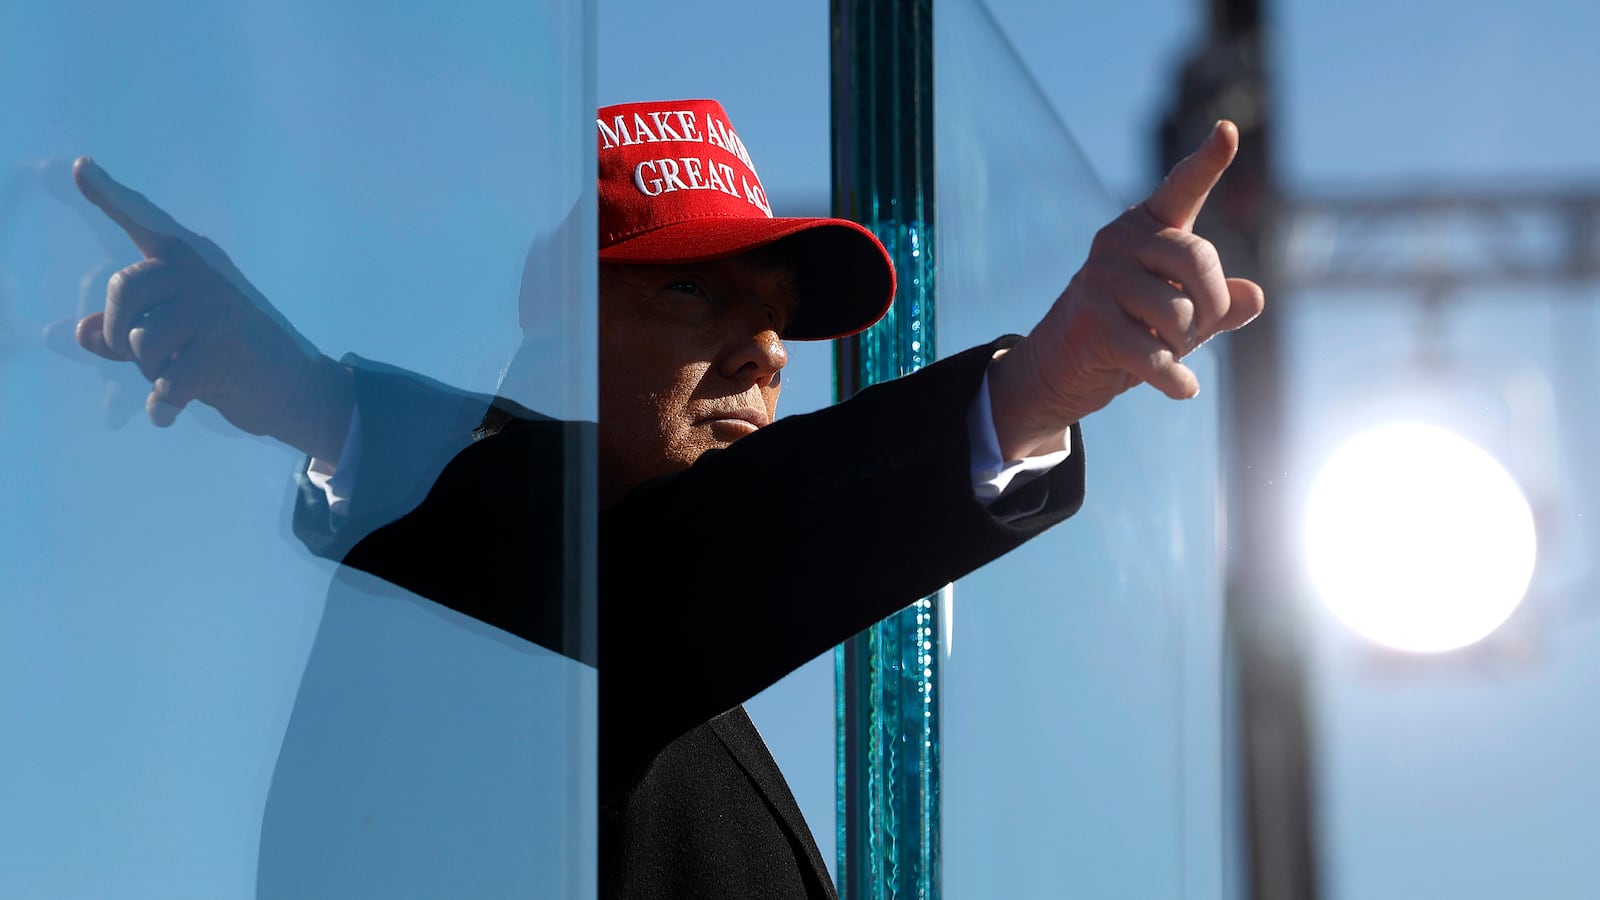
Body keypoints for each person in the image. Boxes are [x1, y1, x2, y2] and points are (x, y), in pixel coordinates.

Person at [71, 98, 1263, 898]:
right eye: (693, 295)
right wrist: (1036, 387)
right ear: (556, 326)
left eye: (777, 317)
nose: (768, 353)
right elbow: (643, 562)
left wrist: (316, 398)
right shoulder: (502, 584)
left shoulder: (638, 637)